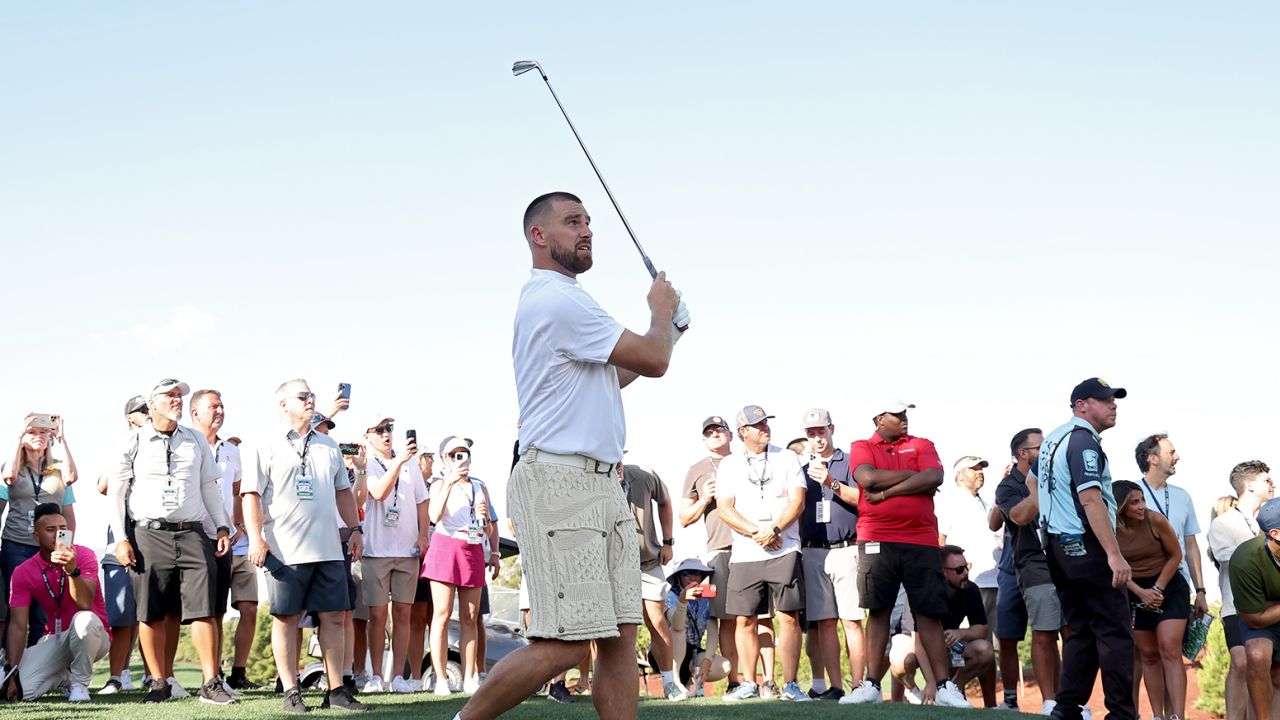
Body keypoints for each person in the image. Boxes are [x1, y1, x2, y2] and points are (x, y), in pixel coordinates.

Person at [459, 191, 686, 720]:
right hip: (562, 483)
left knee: (619, 637)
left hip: (599, 484)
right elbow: (652, 360)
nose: (586, 230)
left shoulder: (568, 301)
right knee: (567, 641)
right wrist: (660, 314)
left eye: (588, 221)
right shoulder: (558, 299)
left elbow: (617, 376)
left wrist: (668, 330)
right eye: (571, 222)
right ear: (539, 236)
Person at [108, 378, 235, 705]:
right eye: (170, 395)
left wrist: (221, 526)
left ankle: (211, 682)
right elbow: (117, 494)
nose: (177, 400)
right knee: (150, 611)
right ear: (152, 404)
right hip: (147, 533)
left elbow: (209, 486)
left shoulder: (195, 439)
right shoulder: (133, 441)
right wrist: (120, 539)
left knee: (204, 608)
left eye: (180, 395)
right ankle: (159, 683)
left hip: (192, 532)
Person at [242, 379, 366, 713]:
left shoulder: (328, 445)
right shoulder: (263, 444)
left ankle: (337, 690)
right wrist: (256, 538)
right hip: (285, 550)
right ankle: (291, 690)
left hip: (327, 547)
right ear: (283, 404)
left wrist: (354, 528)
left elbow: (343, 491)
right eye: (303, 395)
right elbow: (250, 495)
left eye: (311, 394)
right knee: (286, 618)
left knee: (335, 618)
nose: (310, 399)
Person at [845, 399, 968, 707]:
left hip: (921, 539)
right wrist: (914, 478)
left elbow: (934, 477)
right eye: (895, 415)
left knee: (929, 612)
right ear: (878, 419)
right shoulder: (861, 446)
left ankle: (943, 687)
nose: (903, 419)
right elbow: (867, 479)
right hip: (876, 538)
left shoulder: (922, 443)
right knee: (879, 610)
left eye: (904, 414)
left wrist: (886, 492)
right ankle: (871, 685)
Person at [1033, 377, 1134, 720]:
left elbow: (1034, 481)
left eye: (1114, 400)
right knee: (1116, 631)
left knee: (1082, 631)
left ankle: (1066, 708)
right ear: (1081, 405)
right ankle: (1121, 713)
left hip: (1057, 547)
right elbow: (1090, 499)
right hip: (1086, 545)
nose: (1113, 405)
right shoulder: (1083, 442)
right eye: (1105, 400)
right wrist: (1114, 553)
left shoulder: (1054, 438)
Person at [714, 405, 810, 702]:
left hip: (784, 547)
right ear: (743, 432)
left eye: (766, 422)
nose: (765, 428)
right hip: (746, 552)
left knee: (789, 617)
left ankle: (791, 684)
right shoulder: (729, 464)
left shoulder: (787, 457)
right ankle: (748, 682)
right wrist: (756, 532)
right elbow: (724, 508)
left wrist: (777, 529)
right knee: (745, 619)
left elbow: (798, 501)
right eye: (758, 425)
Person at [189, 389, 260, 694]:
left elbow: (236, 491)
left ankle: (231, 674)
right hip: (195, 535)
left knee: (234, 607)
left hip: (227, 538)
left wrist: (239, 525)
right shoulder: (186, 443)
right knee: (211, 608)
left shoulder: (231, 451)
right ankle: (212, 674)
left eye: (221, 407)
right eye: (212, 407)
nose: (219, 411)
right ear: (195, 413)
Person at [1, 503, 109, 702]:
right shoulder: (23, 571)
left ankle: (79, 685)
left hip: (95, 636)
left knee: (84, 620)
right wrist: (12, 672)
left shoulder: (84, 555)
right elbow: (17, 626)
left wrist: (72, 570)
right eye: (50, 530)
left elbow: (85, 604)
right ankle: (63, 677)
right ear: (36, 536)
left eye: (63, 529)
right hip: (56, 638)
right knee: (23, 692)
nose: (58, 535)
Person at [994, 427, 1065, 715]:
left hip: (1066, 562)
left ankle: (1067, 699)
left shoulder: (1061, 476)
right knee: (1044, 632)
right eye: (1040, 447)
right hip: (1034, 565)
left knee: (1072, 632)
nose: (1047, 450)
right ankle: (1048, 702)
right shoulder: (1008, 486)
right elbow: (1020, 517)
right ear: (1023, 453)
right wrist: (1040, 487)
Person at [796, 408, 863, 701]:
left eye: (821, 431)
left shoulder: (850, 462)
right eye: (811, 433)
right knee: (824, 622)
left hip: (847, 549)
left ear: (832, 429)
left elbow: (863, 500)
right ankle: (835, 687)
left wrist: (829, 482)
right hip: (812, 551)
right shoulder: (798, 468)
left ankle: (860, 687)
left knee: (851, 620)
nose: (816, 438)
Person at [425, 436, 499, 696]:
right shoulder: (437, 484)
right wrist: (450, 480)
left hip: (473, 548)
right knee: (442, 614)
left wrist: (486, 518)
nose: (461, 458)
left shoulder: (480, 486)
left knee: (470, 616)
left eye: (464, 453)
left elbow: (488, 528)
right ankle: (441, 678)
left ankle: (470, 677)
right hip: (446, 546)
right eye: (455, 454)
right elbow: (434, 516)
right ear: (445, 458)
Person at [360, 417, 428, 693]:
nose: (387, 434)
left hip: (407, 551)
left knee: (403, 614)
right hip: (376, 551)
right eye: (380, 430)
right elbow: (377, 492)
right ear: (368, 435)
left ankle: (398, 676)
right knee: (377, 616)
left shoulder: (411, 463)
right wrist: (399, 461)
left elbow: (423, 501)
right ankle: (376, 675)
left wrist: (424, 537)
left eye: (389, 429)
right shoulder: (368, 463)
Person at [1, 414, 79, 651]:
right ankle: (10, 666)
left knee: (44, 611)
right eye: (33, 432)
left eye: (44, 432)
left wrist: (63, 546)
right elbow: (9, 477)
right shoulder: (12, 466)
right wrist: (17, 437)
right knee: (17, 606)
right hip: (17, 544)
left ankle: (37, 664)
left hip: (49, 548)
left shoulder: (57, 469)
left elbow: (71, 484)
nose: (39, 437)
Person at [1113, 480, 1187, 720]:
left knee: (1169, 648)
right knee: (1148, 653)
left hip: (1168, 585)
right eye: (1134, 502)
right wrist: (1140, 592)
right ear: (1120, 506)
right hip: (1134, 589)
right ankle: (1157, 715)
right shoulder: (1109, 527)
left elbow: (1176, 555)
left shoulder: (1155, 520)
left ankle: (1177, 715)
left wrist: (1157, 589)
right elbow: (1111, 566)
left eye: (1142, 500)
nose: (1141, 506)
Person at [678, 415, 741, 693]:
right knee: (726, 619)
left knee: (759, 618)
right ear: (703, 439)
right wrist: (704, 499)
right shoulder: (697, 469)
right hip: (720, 549)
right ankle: (735, 682)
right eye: (709, 432)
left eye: (720, 430)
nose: (715, 434)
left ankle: (767, 682)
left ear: (732, 434)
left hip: (754, 545)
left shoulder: (746, 462)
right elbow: (683, 517)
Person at [1208, 460, 1272, 720]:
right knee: (1241, 662)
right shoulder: (1223, 523)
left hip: (1272, 607)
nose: (1272, 483)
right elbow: (1227, 557)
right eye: (1266, 479)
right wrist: (1266, 546)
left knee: (1269, 669)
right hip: (1237, 605)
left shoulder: (1272, 519)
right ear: (1250, 485)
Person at [95, 396, 148, 694]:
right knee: (122, 612)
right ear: (130, 417)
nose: (147, 415)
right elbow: (103, 486)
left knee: (151, 611)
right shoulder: (123, 445)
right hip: (121, 532)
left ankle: (155, 675)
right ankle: (118, 675)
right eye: (141, 411)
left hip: (154, 532)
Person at [937, 455, 999, 708]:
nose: (979, 472)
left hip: (993, 580)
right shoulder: (949, 502)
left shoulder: (984, 502)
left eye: (981, 468)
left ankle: (991, 705)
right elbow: (939, 542)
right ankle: (950, 694)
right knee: (958, 648)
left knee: (989, 648)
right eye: (973, 469)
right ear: (959, 475)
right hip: (964, 584)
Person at [623, 460, 681, 701]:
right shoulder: (592, 478)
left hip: (648, 561)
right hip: (610, 566)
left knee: (657, 620)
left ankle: (670, 682)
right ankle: (624, 687)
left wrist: (668, 542)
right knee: (623, 630)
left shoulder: (643, 474)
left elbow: (665, 501)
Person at [1135, 435, 1209, 618]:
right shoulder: (1131, 494)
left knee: (1173, 646)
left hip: (1178, 584)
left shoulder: (1182, 496)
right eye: (1171, 452)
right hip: (1142, 583)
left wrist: (1200, 591)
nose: (1177, 457)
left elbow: (1191, 546)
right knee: (1145, 648)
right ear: (1153, 459)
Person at [1229, 498, 1280, 720]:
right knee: (1257, 654)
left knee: (1278, 678)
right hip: (1261, 619)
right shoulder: (1245, 559)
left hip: (1269, 608)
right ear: (1276, 533)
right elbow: (1254, 619)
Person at [664, 558, 731, 696]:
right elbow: (677, 625)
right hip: (667, 652)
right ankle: (674, 680)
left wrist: (707, 661)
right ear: (679, 577)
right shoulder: (671, 595)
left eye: (697, 572)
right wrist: (682, 601)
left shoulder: (706, 598)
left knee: (725, 666)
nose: (692, 577)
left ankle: (690, 681)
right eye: (687, 573)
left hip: (692, 653)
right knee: (679, 630)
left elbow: (713, 632)